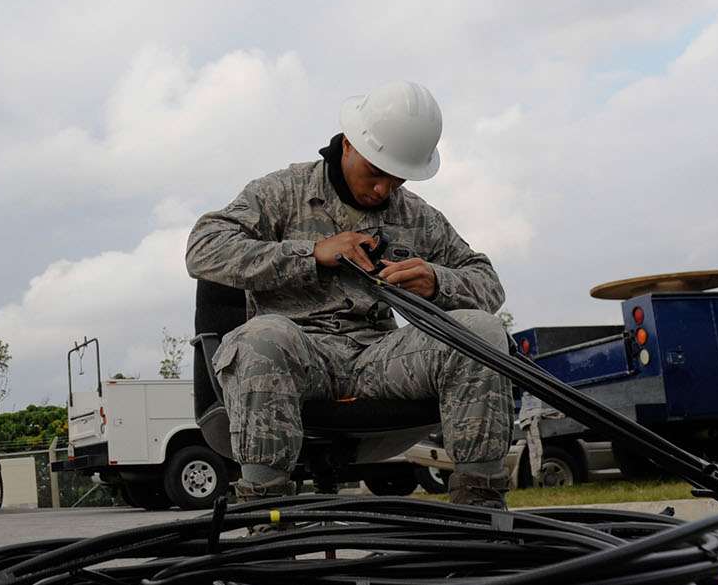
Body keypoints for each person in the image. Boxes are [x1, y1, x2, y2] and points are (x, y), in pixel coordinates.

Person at [186, 80, 513, 508]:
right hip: (299, 355)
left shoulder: (418, 217)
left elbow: (488, 284)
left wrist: (438, 281)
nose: (383, 190)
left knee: (482, 331)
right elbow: (203, 249)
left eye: (396, 179)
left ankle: (481, 510)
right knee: (259, 339)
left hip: (380, 360)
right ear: (348, 145)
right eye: (375, 173)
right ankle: (265, 514)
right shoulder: (282, 192)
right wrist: (311, 253)